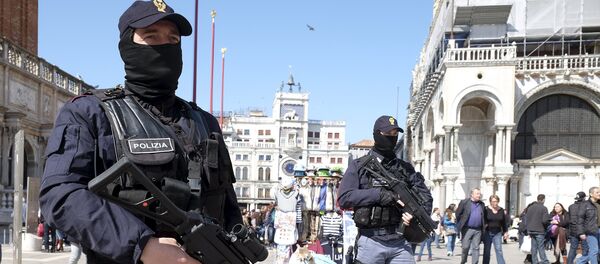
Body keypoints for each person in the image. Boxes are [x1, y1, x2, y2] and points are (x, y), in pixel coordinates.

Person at [38, 1, 243, 263]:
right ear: (127, 46)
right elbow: (60, 195)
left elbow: (227, 206)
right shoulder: (91, 113)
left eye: (173, 39)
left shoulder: (205, 123)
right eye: (151, 36)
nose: (165, 45)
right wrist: (143, 245)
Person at [338, 115, 433, 264]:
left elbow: (426, 197)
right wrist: (380, 195)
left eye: (395, 134)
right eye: (387, 134)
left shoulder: (405, 169)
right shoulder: (359, 166)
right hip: (371, 241)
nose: (391, 138)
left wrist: (415, 218)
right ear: (376, 134)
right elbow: (345, 198)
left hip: (400, 243)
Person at [456, 188, 486, 264]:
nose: (479, 195)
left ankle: (475, 263)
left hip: (478, 230)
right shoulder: (464, 202)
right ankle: (463, 260)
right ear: (472, 194)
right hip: (467, 229)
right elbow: (458, 214)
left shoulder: (482, 204)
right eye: (477, 194)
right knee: (465, 247)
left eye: (479, 194)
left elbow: (484, 216)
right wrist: (461, 223)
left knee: (476, 248)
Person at [575, 187, 600, 264]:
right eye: (597, 192)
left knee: (597, 251)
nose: (599, 194)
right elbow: (580, 219)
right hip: (591, 230)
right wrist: (581, 233)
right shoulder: (585, 204)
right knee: (594, 250)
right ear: (591, 194)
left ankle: (580, 261)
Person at [482, 194, 510, 264]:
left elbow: (504, 222)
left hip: (497, 233)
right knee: (487, 251)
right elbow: (482, 220)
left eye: (496, 201)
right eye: (493, 201)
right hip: (488, 232)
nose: (495, 203)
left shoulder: (501, 210)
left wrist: (505, 232)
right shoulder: (486, 209)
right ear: (490, 202)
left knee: (499, 250)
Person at [526, 194, 550, 264]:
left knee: (534, 248)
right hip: (540, 230)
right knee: (541, 247)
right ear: (543, 199)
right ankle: (545, 261)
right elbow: (544, 221)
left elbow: (527, 219)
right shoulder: (544, 208)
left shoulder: (530, 207)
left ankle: (534, 261)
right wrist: (549, 223)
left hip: (531, 230)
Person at [567, 192, 588, 264]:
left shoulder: (571, 206)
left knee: (573, 248)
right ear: (584, 198)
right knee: (585, 248)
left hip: (573, 230)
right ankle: (583, 262)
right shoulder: (586, 206)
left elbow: (569, 219)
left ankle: (569, 262)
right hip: (583, 230)